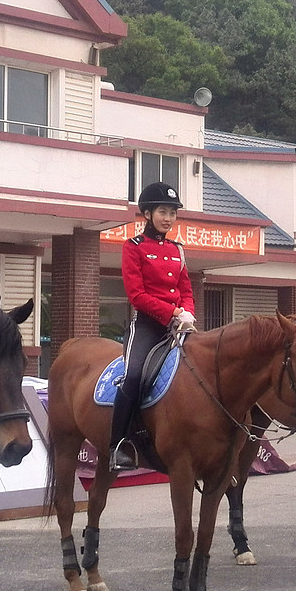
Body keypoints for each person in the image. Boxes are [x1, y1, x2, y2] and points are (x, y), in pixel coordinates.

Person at [108, 182, 195, 472]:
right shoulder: (133, 248)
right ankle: (118, 445)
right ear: (147, 213)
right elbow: (137, 296)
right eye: (162, 211)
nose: (168, 218)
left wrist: (188, 315)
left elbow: (186, 290)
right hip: (147, 327)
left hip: (179, 326)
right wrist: (173, 312)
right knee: (132, 376)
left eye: (172, 212)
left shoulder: (177, 250)